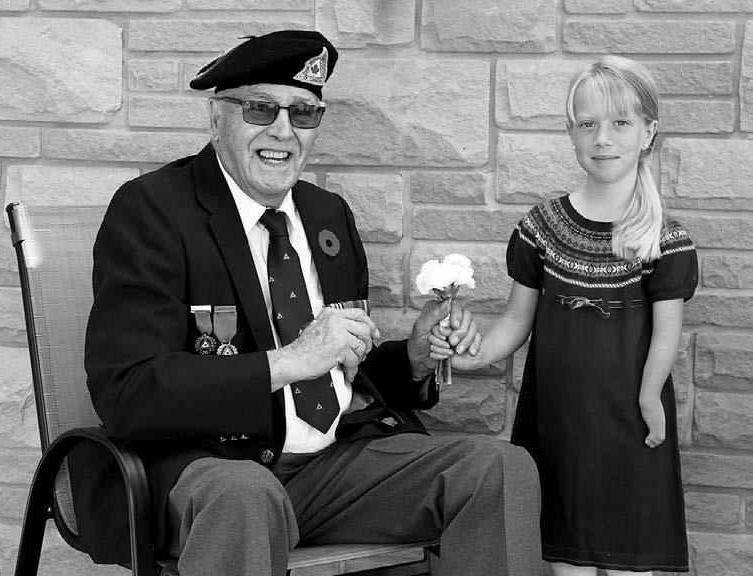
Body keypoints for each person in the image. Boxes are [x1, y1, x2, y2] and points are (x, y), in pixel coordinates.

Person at [72, 30, 542, 576]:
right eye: (260, 108)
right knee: (246, 496)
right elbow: (127, 392)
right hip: (212, 468)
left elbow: (343, 371)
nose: (282, 130)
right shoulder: (154, 211)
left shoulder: (326, 215)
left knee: (498, 469)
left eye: (302, 113)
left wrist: (413, 358)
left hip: (332, 467)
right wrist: (290, 359)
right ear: (216, 118)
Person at [431, 56, 696, 575]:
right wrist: (470, 355)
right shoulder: (541, 227)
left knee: (632, 563)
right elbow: (515, 322)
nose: (603, 138)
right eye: (587, 124)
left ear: (648, 133)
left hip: (632, 424)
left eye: (620, 123)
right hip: (558, 426)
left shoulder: (664, 238)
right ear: (570, 133)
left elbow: (667, 334)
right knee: (563, 560)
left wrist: (650, 395)